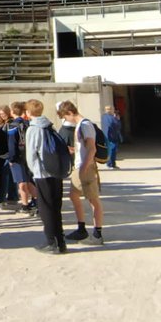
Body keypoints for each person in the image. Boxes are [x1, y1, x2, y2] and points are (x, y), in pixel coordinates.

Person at [24, 99, 67, 254]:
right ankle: (60, 241)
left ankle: (51, 242)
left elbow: (31, 155)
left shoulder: (33, 129)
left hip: (42, 172)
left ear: (28, 112)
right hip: (55, 171)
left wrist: (32, 172)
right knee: (56, 207)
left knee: (45, 208)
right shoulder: (50, 126)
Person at [61, 100, 105, 246]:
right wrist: (74, 150)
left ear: (70, 113)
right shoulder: (82, 125)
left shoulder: (85, 125)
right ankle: (82, 228)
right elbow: (86, 147)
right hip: (81, 165)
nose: (66, 120)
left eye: (65, 116)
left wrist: (84, 167)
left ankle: (97, 233)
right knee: (75, 195)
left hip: (84, 167)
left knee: (93, 199)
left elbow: (92, 148)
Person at [101, 104, 122, 170]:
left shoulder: (106, 117)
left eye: (110, 109)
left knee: (113, 151)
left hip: (111, 136)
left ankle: (113, 164)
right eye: (108, 109)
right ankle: (110, 164)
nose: (109, 110)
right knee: (111, 151)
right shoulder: (109, 117)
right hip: (110, 136)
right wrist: (117, 119)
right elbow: (115, 125)